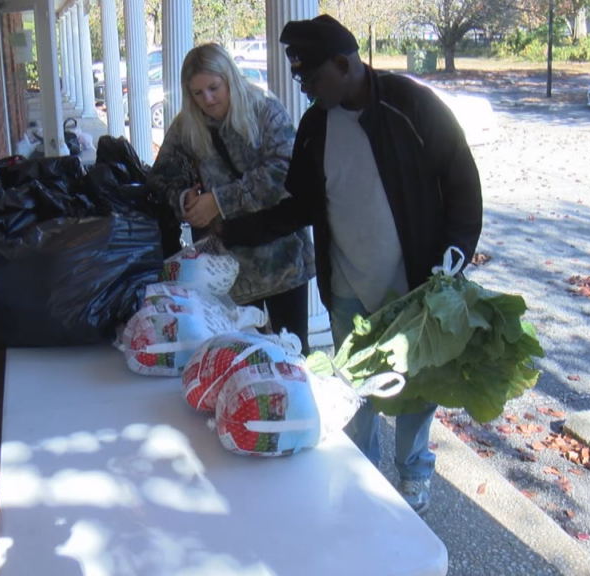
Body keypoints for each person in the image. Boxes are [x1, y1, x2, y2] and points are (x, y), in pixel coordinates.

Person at [214, 15, 483, 514]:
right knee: (353, 387)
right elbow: (299, 208)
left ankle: (413, 477)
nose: (307, 90)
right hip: (347, 288)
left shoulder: (412, 106)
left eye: (312, 79)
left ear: (344, 63)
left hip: (413, 285)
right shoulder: (316, 126)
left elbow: (462, 180)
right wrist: (234, 230)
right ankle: (361, 472)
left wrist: (456, 254)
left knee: (416, 387)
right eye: (301, 80)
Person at [149, 43, 315, 352]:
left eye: (213, 88)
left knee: (294, 356)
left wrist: (219, 200)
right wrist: (185, 199)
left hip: (280, 260)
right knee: (239, 360)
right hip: (225, 270)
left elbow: (284, 171)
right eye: (197, 93)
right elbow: (159, 178)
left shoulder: (264, 109)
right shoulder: (187, 124)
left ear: (230, 79)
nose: (207, 99)